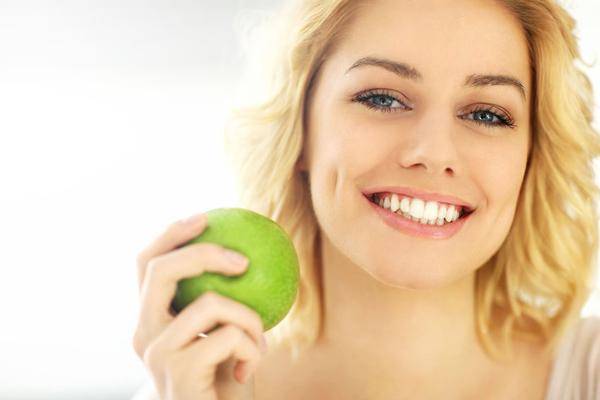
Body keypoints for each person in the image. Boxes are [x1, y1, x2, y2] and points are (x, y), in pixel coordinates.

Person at [131, 0, 600, 398]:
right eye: (383, 99)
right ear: (301, 128)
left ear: (530, 156)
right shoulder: (193, 387)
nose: (434, 153)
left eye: (486, 114)